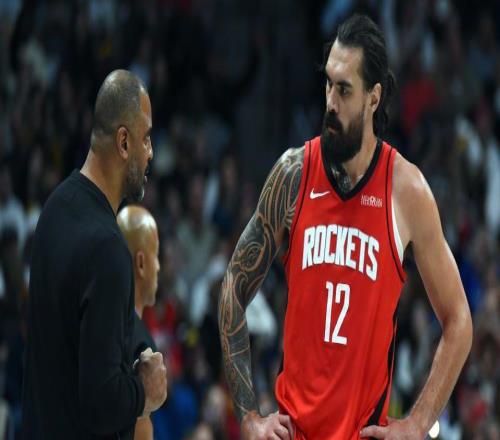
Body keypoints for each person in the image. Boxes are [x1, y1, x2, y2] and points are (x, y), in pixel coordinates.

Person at [218, 15, 473, 440]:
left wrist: (417, 424)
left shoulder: (406, 190)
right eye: (328, 84)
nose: (330, 103)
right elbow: (232, 288)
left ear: (374, 97)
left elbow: (459, 320)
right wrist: (248, 415)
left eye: (344, 89)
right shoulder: (294, 173)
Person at [21, 70, 167, 439]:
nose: (151, 152)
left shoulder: (54, 209)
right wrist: (144, 392)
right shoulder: (108, 250)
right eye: (146, 138)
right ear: (123, 142)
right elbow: (101, 402)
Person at [117, 204, 160, 440]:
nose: (159, 267)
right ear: (141, 263)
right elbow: (140, 429)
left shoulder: (109, 325)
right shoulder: (140, 342)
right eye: (156, 254)